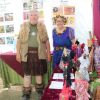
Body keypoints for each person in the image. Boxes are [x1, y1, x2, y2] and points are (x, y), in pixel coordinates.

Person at [16, 10, 51, 99]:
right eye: (32, 15)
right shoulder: (23, 26)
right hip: (26, 54)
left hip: (40, 54)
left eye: (35, 15)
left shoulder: (42, 26)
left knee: (39, 73)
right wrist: (18, 54)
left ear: (38, 17)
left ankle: (39, 90)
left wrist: (48, 53)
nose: (34, 17)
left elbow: (47, 41)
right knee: (27, 74)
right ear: (29, 16)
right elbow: (19, 41)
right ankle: (26, 93)